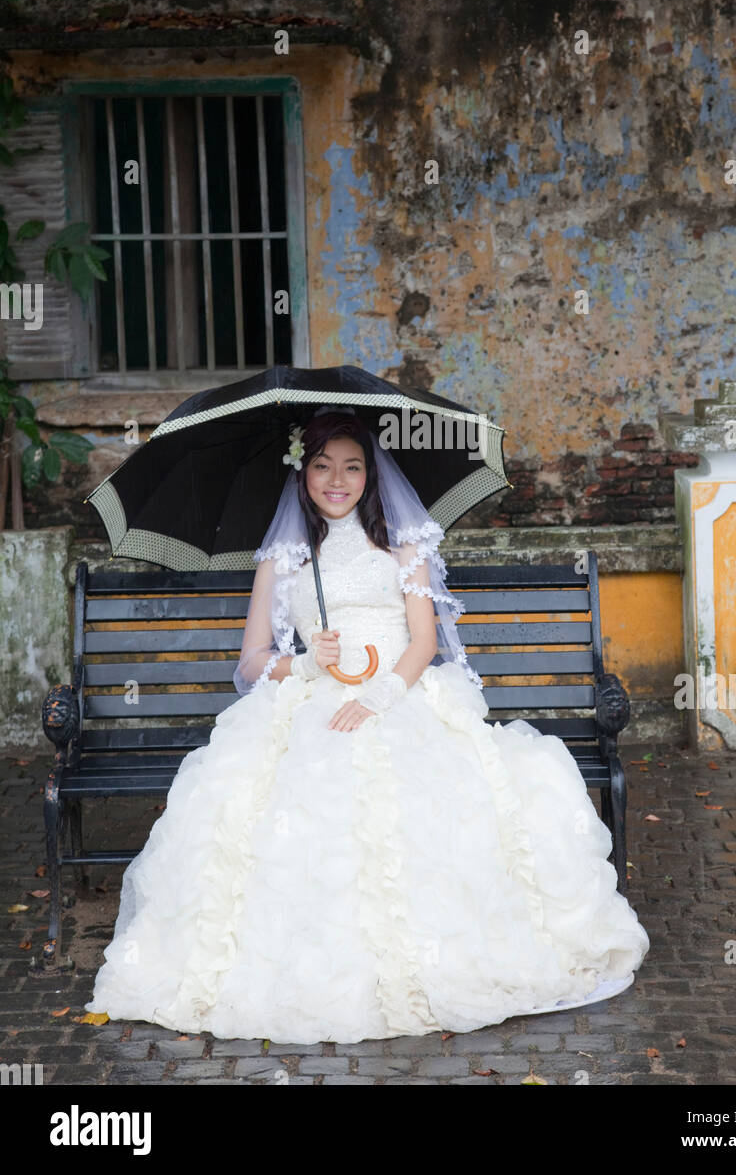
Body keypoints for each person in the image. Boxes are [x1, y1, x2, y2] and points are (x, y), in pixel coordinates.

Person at [86, 408, 649, 1044]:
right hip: (310, 702)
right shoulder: (284, 560)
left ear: (368, 475)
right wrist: (301, 662)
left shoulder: (402, 545)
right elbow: (249, 664)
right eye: (323, 466)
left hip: (398, 692)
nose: (337, 480)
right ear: (302, 474)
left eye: (351, 467)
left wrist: (380, 697)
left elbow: (423, 639)